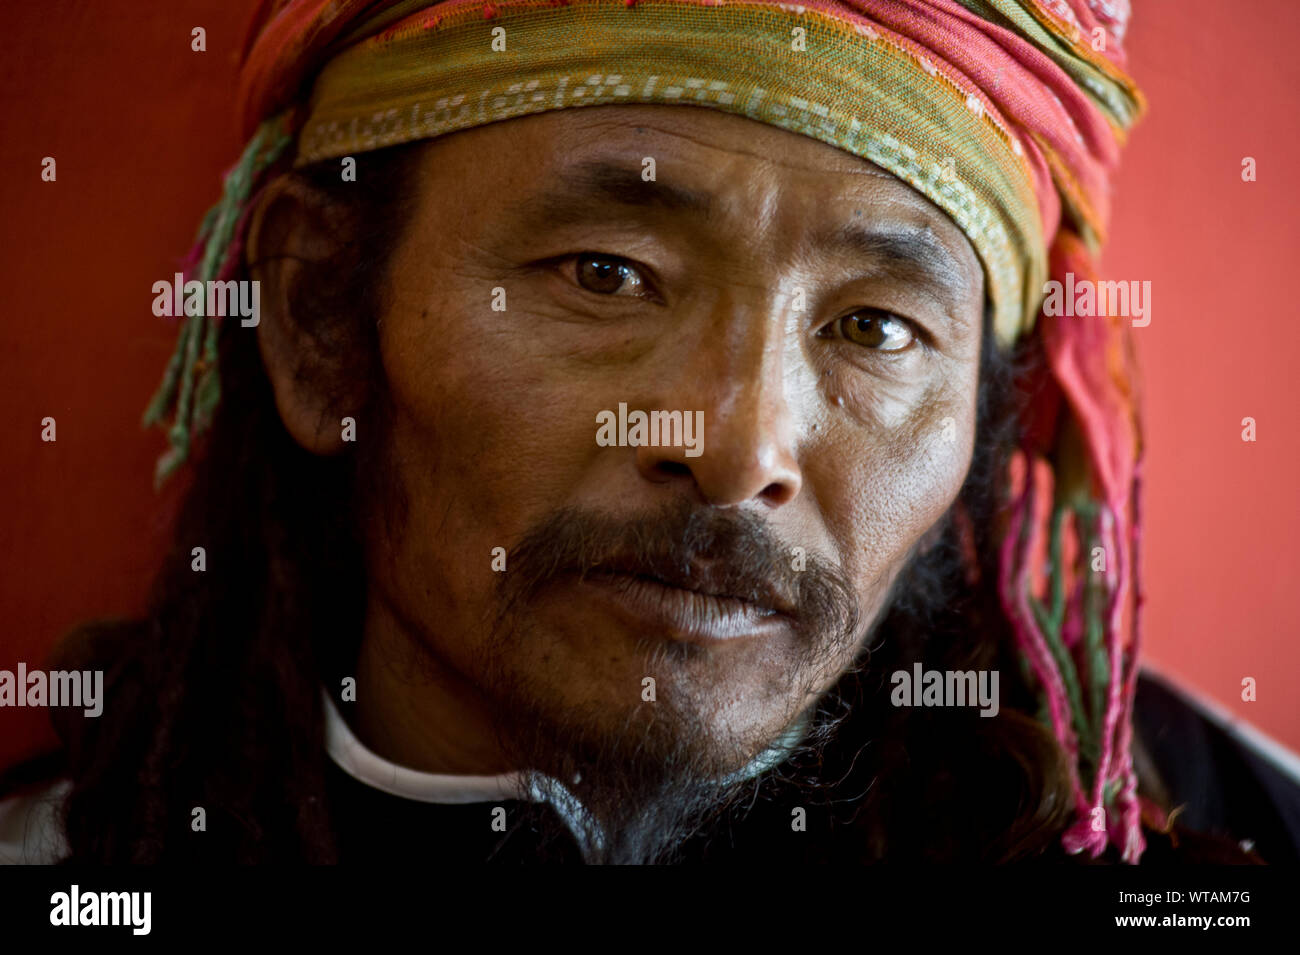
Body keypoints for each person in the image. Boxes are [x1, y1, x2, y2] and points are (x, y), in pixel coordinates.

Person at [0, 0, 1292, 865]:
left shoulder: (1215, 839)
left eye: (878, 329)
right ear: (319, 322)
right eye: (605, 274)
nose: (740, 451)